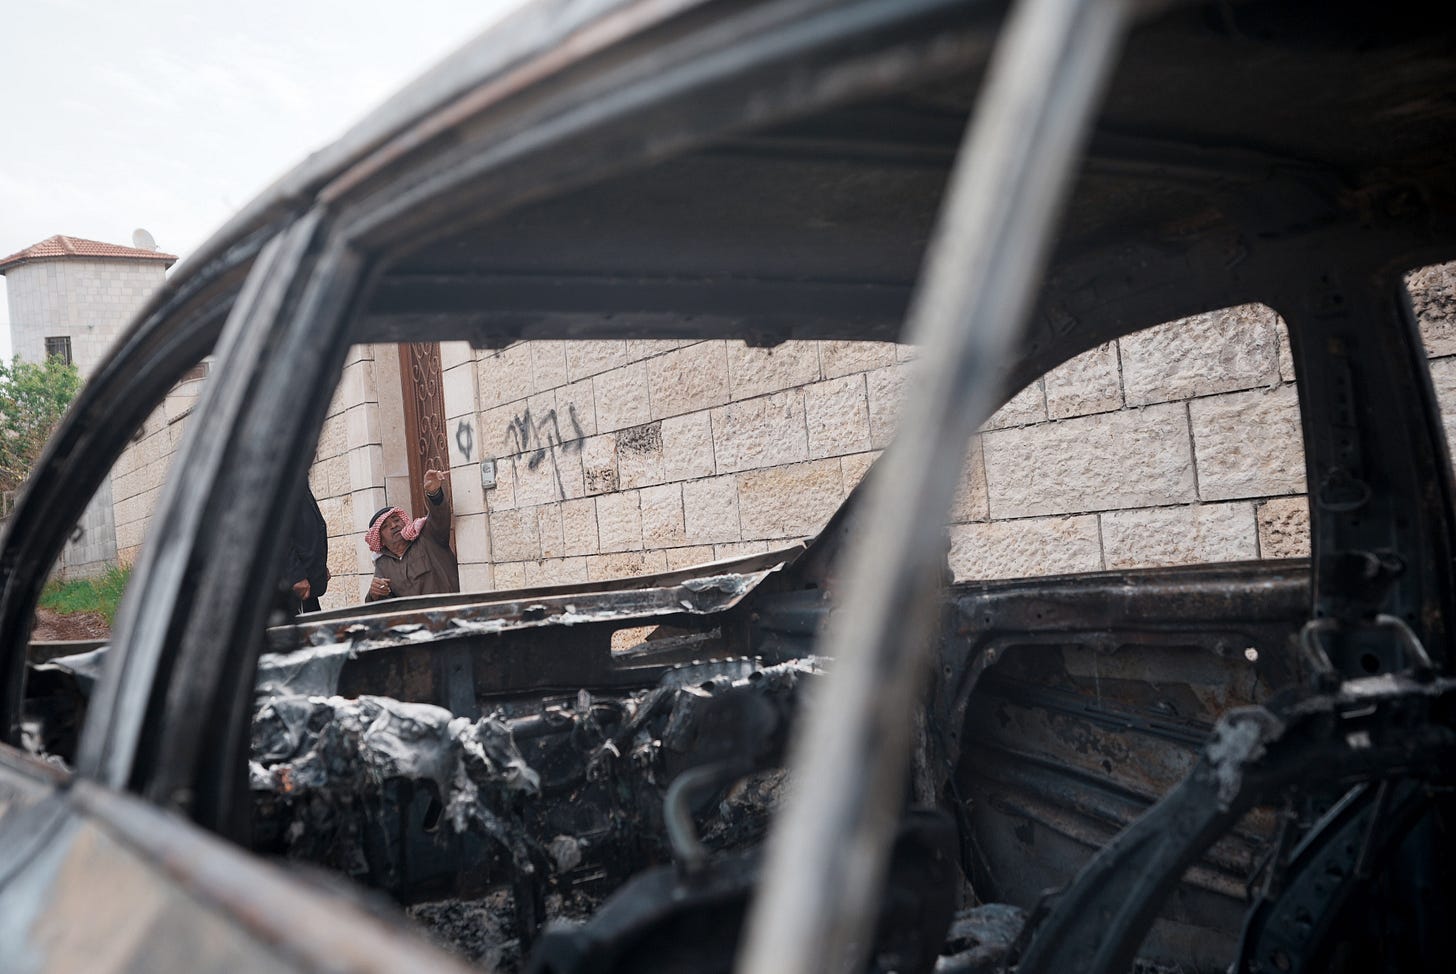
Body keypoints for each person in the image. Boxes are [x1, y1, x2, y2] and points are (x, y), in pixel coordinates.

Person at [364, 468, 459, 601]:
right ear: (381, 539)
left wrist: (434, 494)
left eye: (396, 520)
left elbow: (439, 516)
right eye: (385, 526)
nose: (393, 525)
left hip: (449, 609)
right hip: (415, 615)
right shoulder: (383, 564)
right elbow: (383, 603)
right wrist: (374, 594)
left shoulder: (427, 535)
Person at [282, 480, 330, 614]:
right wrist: (295, 575)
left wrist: (320, 565)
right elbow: (279, 533)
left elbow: (305, 528)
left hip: (308, 579)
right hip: (295, 586)